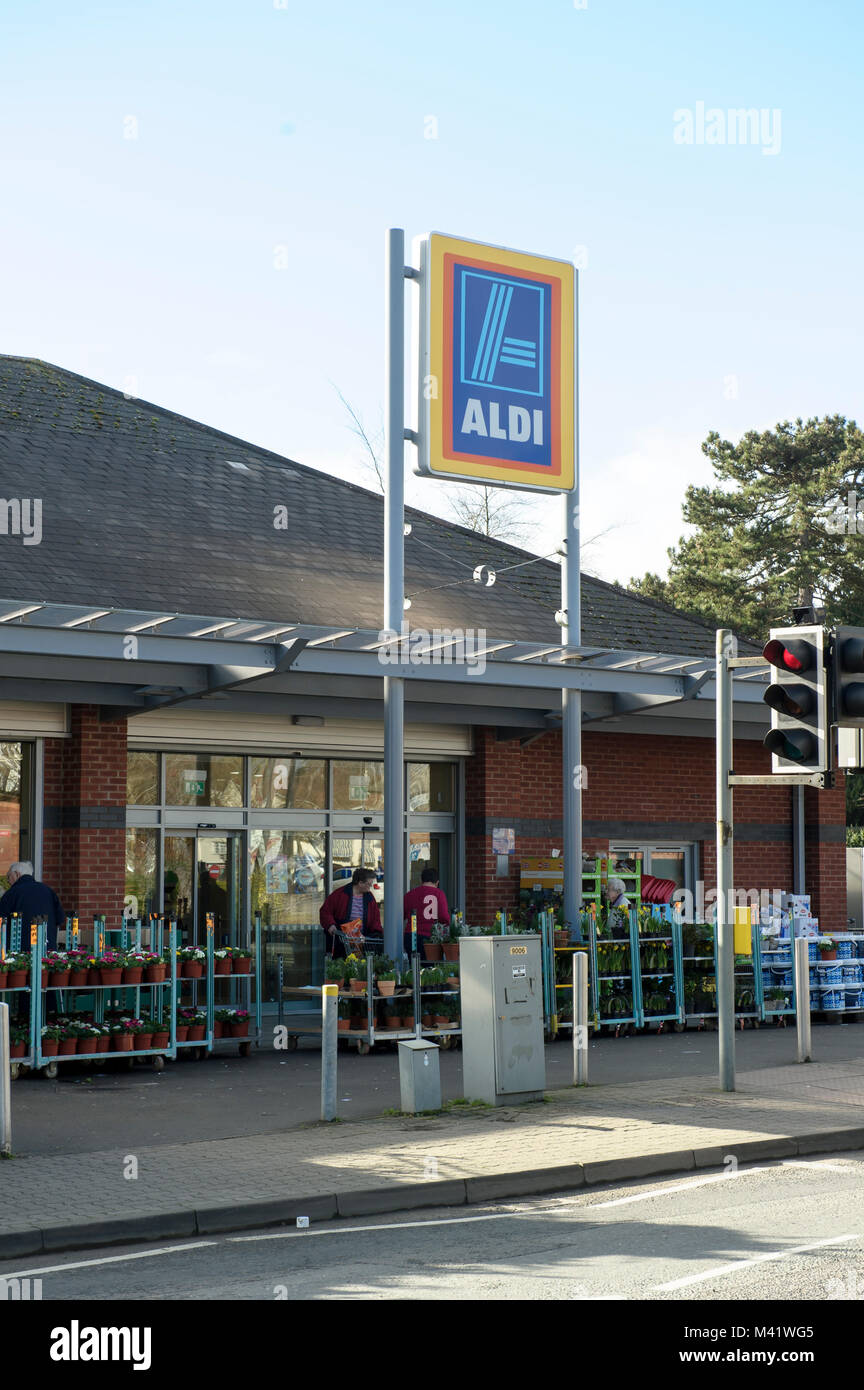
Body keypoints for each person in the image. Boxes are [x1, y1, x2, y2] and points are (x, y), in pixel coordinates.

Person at [0, 861, 65, 952]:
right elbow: (60, 920)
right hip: (47, 950)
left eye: (8, 877)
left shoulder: (11, 894)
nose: (8, 880)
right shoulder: (48, 891)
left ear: (17, 874)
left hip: (19, 952)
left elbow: (1, 921)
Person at [319, 867, 382, 958]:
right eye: (369, 884)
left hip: (363, 943)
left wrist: (375, 935)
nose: (371, 887)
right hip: (342, 942)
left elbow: (375, 919)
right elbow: (325, 911)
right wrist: (331, 925)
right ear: (360, 883)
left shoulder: (369, 898)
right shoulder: (340, 894)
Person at [403, 866, 450, 957]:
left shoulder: (409, 894)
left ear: (422, 880)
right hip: (430, 938)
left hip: (411, 936)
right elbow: (443, 917)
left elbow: (402, 915)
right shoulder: (439, 894)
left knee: (413, 965)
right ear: (437, 882)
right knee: (431, 967)